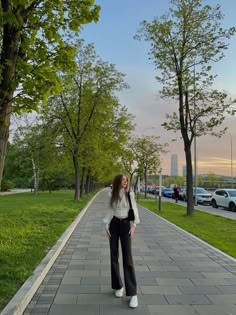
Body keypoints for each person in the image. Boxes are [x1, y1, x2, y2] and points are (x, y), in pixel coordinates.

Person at [104, 174, 140, 308]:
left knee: (128, 259)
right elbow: (109, 210)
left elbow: (134, 209)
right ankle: (118, 286)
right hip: (114, 225)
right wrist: (106, 225)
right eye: (122, 180)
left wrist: (133, 226)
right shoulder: (111, 195)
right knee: (114, 257)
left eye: (126, 180)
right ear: (117, 181)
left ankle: (133, 293)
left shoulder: (130, 194)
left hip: (126, 226)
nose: (125, 182)